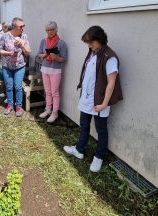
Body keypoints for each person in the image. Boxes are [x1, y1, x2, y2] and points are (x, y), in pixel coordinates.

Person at [63, 26, 123, 172]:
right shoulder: (93, 52)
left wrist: (104, 103)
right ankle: (79, 150)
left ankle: (99, 157)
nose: (89, 45)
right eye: (88, 43)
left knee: (101, 130)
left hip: (100, 101)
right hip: (87, 97)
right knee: (84, 124)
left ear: (100, 40)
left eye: (91, 42)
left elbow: (111, 83)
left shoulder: (110, 57)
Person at [0, 17, 31, 117]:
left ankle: (19, 106)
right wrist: (8, 53)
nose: (23, 28)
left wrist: (22, 45)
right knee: (9, 87)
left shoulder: (24, 37)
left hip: (20, 66)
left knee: (17, 87)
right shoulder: (5, 36)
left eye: (23, 26)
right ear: (13, 27)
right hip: (7, 66)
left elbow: (28, 52)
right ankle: (9, 105)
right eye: (21, 26)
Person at [37, 21, 67, 123]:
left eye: (52, 29)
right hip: (45, 69)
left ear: (56, 29)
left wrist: (56, 57)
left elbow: (63, 59)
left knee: (55, 93)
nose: (50, 32)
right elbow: (39, 55)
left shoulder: (61, 43)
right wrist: (45, 54)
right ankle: (48, 109)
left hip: (55, 71)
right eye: (48, 30)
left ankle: (55, 113)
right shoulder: (43, 41)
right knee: (48, 91)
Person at [0, 21, 12, 100]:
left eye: (3, 27)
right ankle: (6, 92)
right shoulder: (4, 35)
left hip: (10, 61)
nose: (2, 29)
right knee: (5, 77)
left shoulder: (11, 36)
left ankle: (10, 95)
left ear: (7, 28)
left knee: (9, 78)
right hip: (4, 59)